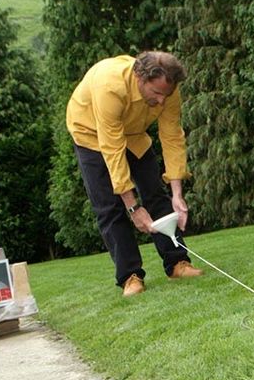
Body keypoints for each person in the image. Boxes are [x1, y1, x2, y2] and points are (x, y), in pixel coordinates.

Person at [67, 51, 203, 297]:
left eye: (166, 94)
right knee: (109, 207)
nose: (162, 101)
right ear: (140, 77)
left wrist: (177, 194)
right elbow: (112, 148)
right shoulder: (110, 86)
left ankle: (177, 263)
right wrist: (132, 207)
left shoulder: (168, 89)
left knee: (156, 194)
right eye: (157, 94)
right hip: (92, 136)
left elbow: (172, 137)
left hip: (135, 134)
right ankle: (130, 276)